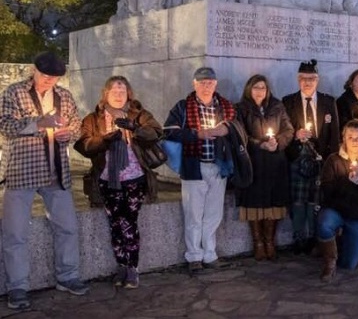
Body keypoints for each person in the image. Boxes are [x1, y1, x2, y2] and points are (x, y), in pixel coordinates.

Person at [0, 52, 89, 310]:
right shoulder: (14, 92)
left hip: (56, 169)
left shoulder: (64, 96)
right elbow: (5, 125)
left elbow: (77, 124)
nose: (49, 81)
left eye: (55, 77)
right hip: (23, 170)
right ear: (34, 70)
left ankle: (68, 276)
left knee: (67, 227)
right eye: (45, 75)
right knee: (15, 232)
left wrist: (67, 134)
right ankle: (18, 286)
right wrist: (39, 123)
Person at [74, 76, 163, 289]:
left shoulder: (139, 115)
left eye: (122, 91)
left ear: (128, 94)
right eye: (114, 90)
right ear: (106, 93)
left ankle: (133, 268)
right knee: (115, 224)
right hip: (107, 179)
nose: (118, 94)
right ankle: (121, 265)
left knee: (129, 222)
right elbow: (84, 145)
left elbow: (156, 132)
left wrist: (134, 127)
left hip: (134, 177)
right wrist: (104, 140)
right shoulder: (93, 118)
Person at [163, 67, 237, 273]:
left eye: (210, 83)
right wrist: (197, 134)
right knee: (194, 214)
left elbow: (237, 130)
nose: (206, 86)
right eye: (202, 83)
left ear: (215, 85)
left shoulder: (225, 107)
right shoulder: (183, 107)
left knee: (214, 213)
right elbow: (169, 133)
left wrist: (227, 129)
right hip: (193, 165)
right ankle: (194, 255)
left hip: (218, 165)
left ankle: (210, 254)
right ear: (194, 84)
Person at [282, 59, 340, 254]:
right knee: (298, 200)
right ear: (298, 80)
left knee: (315, 200)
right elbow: (284, 130)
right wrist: (295, 136)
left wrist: (331, 160)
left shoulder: (328, 101)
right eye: (304, 79)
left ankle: (316, 238)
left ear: (318, 80)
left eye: (312, 79)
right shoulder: (288, 101)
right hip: (298, 155)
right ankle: (299, 237)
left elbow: (335, 133)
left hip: (320, 157)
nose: (308, 82)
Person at [236, 74, 294, 261]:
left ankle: (270, 241)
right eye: (256, 87)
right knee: (254, 203)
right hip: (254, 162)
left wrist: (277, 142)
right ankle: (258, 243)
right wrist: (260, 144)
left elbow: (288, 129)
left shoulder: (277, 106)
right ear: (248, 89)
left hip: (275, 162)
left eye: (263, 87)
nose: (260, 91)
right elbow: (240, 134)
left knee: (273, 203)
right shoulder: (241, 108)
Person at [317, 119, 358, 281]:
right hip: (336, 210)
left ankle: (344, 243)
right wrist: (347, 182)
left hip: (357, 214)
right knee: (324, 224)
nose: (354, 141)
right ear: (344, 138)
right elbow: (327, 189)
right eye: (350, 137)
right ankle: (329, 262)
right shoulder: (333, 160)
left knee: (349, 264)